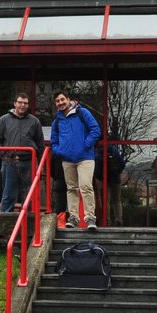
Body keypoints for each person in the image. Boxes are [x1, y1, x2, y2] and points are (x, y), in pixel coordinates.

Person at [50, 87, 102, 231]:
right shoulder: (57, 121)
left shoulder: (82, 112)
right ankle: (73, 218)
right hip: (67, 160)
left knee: (85, 187)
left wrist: (86, 145)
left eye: (62, 99)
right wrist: (61, 152)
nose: (60, 103)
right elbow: (53, 141)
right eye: (57, 101)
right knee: (71, 189)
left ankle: (90, 218)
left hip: (85, 158)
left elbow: (95, 130)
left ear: (68, 99)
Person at [0, 92, 44, 212]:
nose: (23, 105)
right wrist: (3, 156)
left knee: (30, 195)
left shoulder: (34, 121)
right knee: (9, 194)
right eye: (20, 102)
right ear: (15, 103)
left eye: (25, 103)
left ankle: (28, 222)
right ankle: (5, 222)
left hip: (29, 162)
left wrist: (38, 162)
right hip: (10, 162)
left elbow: (40, 144)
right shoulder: (3, 120)